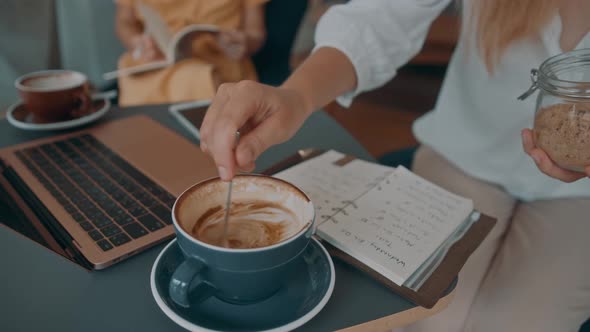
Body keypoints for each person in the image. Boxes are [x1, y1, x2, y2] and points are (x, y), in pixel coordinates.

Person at [199, 0, 590, 331]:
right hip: (463, 153)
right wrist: (296, 96)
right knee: (425, 318)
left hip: (579, 196)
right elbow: (383, 15)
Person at [114, 0, 267, 106]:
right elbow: (125, 22)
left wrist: (242, 43)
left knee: (206, 81)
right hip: (157, 60)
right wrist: (136, 42)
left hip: (218, 64)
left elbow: (255, 34)